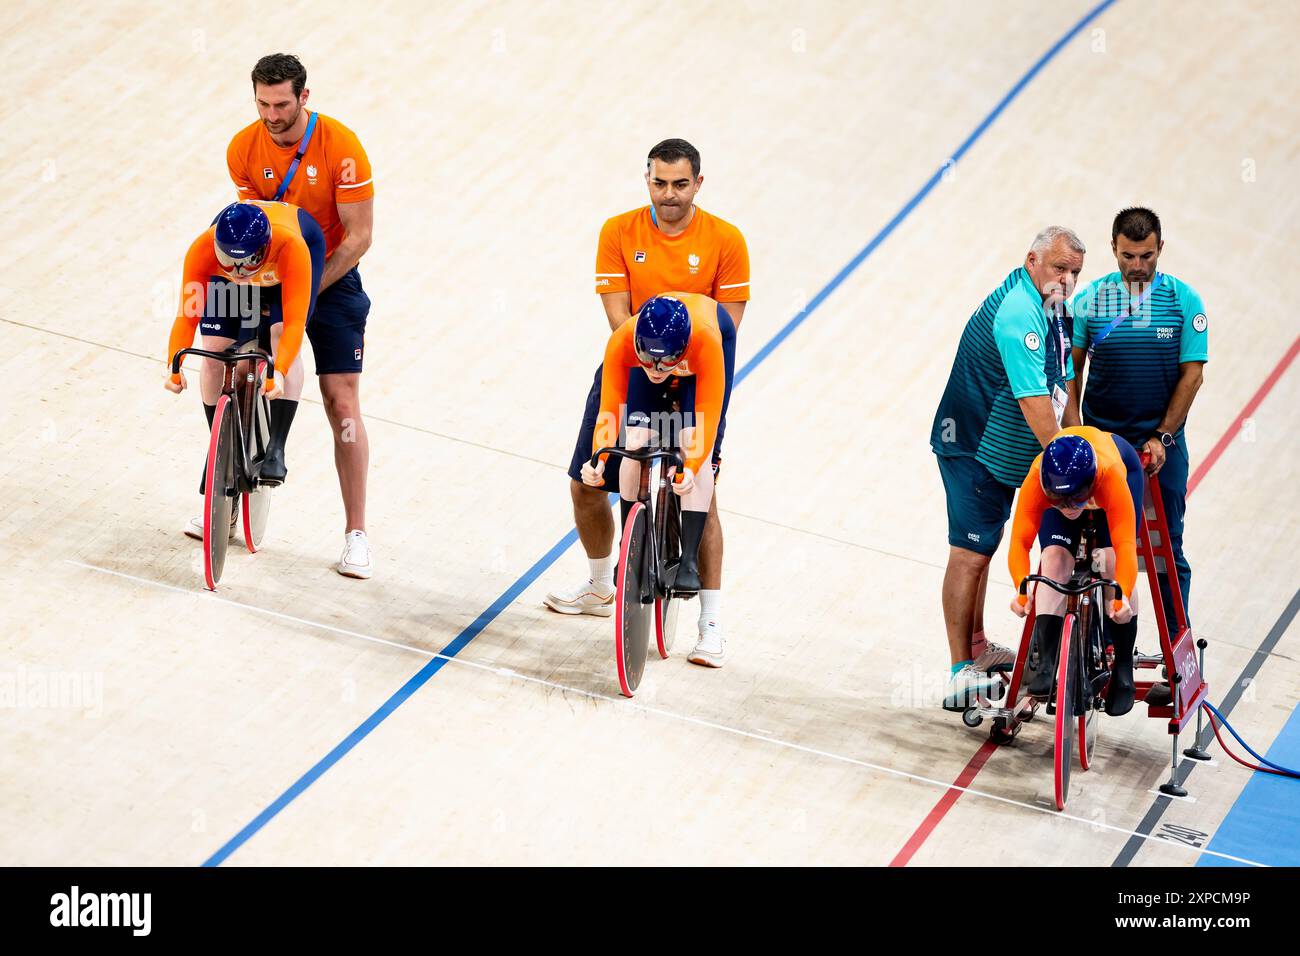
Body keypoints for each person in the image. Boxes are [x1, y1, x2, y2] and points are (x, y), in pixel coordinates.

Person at [546, 139, 749, 656]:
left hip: (701, 367)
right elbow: (620, 321)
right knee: (586, 481)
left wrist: (690, 437)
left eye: (681, 184)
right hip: (636, 357)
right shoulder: (619, 232)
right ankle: (601, 584)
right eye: (659, 183)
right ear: (647, 179)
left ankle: (711, 622)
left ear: (698, 184)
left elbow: (726, 335)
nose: (669, 194)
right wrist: (649, 366)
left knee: (697, 482)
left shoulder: (727, 241)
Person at [227, 52, 376, 577]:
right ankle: (233, 479)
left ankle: (356, 534)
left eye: (282, 104)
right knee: (239, 361)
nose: (272, 115)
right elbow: (255, 223)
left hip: (331, 275)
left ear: (304, 98)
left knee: (341, 403)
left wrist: (310, 288)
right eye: (263, 104)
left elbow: (359, 238)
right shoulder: (244, 148)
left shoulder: (342, 147)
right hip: (274, 268)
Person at [929, 226, 1084, 712]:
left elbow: (1063, 380)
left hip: (995, 452)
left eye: (1075, 272)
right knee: (969, 554)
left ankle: (976, 649)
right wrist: (1068, 466)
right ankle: (959, 672)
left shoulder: (1051, 305)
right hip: (973, 447)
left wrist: (1078, 438)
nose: (1067, 280)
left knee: (984, 550)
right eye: (1059, 268)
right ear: (1032, 260)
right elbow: (1035, 401)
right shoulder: (1020, 314)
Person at [1067, 207, 1207, 625]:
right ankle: (1100, 646)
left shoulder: (1183, 301)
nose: (1137, 266)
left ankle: (1174, 655)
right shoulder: (1090, 300)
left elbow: (1192, 376)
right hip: (1105, 444)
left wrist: (1163, 436)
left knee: (1166, 549)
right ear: (1113, 249)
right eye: (1128, 256)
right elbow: (1071, 370)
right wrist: (1076, 431)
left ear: (1160, 249)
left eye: (1146, 256)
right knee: (1098, 547)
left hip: (1158, 446)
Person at [580, 293, 735, 666]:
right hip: (669, 350)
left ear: (680, 349)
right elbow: (610, 410)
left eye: (665, 359)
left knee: (689, 443)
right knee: (635, 441)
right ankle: (629, 547)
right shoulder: (626, 342)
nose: (655, 366)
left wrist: (694, 464)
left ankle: (689, 565)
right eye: (647, 357)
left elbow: (707, 419)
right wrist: (600, 460)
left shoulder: (706, 343)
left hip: (704, 359)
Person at [164, 200, 325, 529]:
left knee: (280, 336)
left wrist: (277, 372)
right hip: (251, 273)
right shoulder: (203, 250)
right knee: (214, 350)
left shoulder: (290, 247)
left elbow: (294, 324)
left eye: (244, 263)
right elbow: (187, 317)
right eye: (228, 261)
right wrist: (174, 367)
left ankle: (277, 447)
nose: (238, 271)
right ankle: (219, 447)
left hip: (283, 269)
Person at [1007, 428, 1143, 715]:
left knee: (1109, 560)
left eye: (1076, 499)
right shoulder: (1037, 478)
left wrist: (1123, 596)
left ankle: (1123, 667)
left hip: (1121, 466)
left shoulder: (1110, 477)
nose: (1068, 508)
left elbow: (1126, 545)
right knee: (1054, 559)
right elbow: (1020, 542)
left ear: (1091, 484)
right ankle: (1046, 662)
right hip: (1072, 484)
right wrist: (1021, 588)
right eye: (1057, 500)